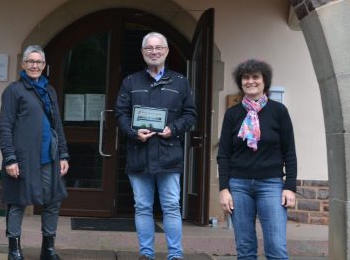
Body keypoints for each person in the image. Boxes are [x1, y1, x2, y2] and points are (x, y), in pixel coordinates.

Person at [115, 32, 197, 260]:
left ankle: (175, 256)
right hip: (139, 155)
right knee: (142, 207)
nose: (154, 51)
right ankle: (146, 255)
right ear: (143, 53)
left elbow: (191, 115)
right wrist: (133, 132)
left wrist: (174, 128)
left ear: (167, 51)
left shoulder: (180, 82)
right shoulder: (130, 82)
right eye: (149, 48)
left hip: (169, 156)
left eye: (159, 47)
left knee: (171, 207)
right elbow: (120, 114)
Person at [216, 59, 297, 260]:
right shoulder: (232, 114)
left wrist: (290, 186)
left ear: (264, 81)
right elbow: (224, 154)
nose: (250, 81)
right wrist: (223, 189)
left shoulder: (279, 111)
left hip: (271, 185)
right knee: (245, 249)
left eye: (255, 77)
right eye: (245, 77)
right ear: (240, 82)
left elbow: (290, 152)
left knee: (276, 248)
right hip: (239, 186)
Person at [0, 45, 70, 260]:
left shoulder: (49, 91)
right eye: (30, 61)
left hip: (49, 157)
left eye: (39, 62)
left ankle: (47, 249)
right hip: (22, 158)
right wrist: (9, 158)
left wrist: (64, 154)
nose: (35, 66)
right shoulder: (14, 90)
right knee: (17, 201)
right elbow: (4, 126)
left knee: (52, 201)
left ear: (44, 65)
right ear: (23, 64)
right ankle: (14, 250)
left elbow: (57, 125)